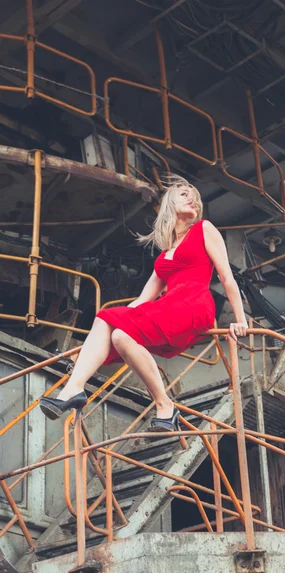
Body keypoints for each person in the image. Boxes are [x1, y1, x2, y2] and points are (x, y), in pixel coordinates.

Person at [39, 176, 248, 432]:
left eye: (195, 197)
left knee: (115, 325)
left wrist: (240, 320)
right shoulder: (164, 255)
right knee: (115, 330)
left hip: (194, 303)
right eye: (184, 194)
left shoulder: (204, 229)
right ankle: (157, 404)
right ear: (170, 203)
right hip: (168, 305)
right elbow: (141, 301)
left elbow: (226, 277)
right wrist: (90, 345)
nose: (193, 198)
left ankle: (78, 388)